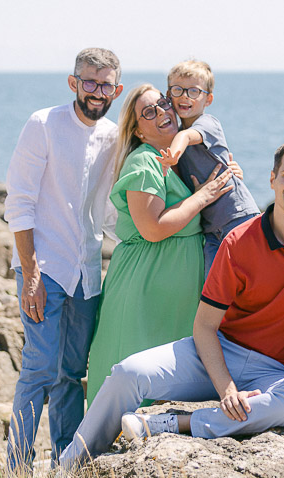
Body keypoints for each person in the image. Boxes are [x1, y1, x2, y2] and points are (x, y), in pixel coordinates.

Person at [60, 141, 284, 467]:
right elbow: (204, 326)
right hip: (222, 351)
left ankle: (173, 424)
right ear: (272, 179)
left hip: (279, 371)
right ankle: (70, 468)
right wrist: (227, 390)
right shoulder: (239, 242)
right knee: (127, 373)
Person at [4, 47, 123, 473]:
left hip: (87, 274)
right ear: (73, 82)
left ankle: (64, 468)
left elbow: (109, 214)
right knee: (37, 371)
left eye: (105, 84)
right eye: (89, 81)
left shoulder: (113, 136)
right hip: (45, 270)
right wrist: (31, 273)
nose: (96, 91)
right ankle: (16, 471)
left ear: (117, 89)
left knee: (72, 375)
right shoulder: (43, 124)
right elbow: (19, 203)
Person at [84, 84, 235, 405]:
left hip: (171, 297)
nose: (163, 113)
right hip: (143, 290)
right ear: (138, 130)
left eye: (164, 104)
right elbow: (152, 228)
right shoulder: (144, 162)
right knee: (130, 377)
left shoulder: (182, 159)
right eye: (149, 112)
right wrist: (204, 195)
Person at [158, 59, 260, 274]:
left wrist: (173, 156)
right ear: (168, 95)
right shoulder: (172, 133)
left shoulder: (207, 123)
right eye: (178, 90)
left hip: (237, 215)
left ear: (208, 99)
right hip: (210, 228)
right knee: (212, 289)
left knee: (248, 281)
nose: (185, 96)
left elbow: (187, 136)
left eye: (194, 91)